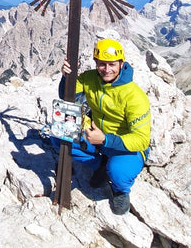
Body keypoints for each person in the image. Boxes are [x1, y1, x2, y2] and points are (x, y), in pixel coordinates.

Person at [58, 39, 151, 215]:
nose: (107, 69)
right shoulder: (89, 78)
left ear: (121, 64)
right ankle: (101, 164)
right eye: (102, 64)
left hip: (125, 146)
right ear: (96, 63)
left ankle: (120, 191)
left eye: (112, 64)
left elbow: (141, 140)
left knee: (119, 172)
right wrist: (67, 77)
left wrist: (105, 139)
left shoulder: (135, 96)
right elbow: (67, 97)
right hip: (97, 137)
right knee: (59, 137)